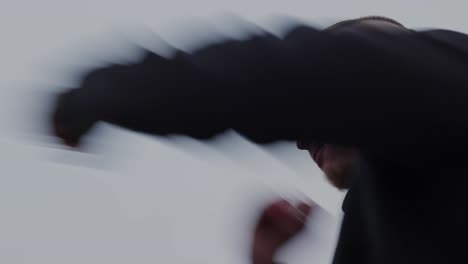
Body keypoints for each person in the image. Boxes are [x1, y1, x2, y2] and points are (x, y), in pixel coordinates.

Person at [50, 15, 468, 263]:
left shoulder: (444, 76)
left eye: (324, 106)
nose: (303, 143)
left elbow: (287, 77)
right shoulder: (392, 214)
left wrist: (109, 92)